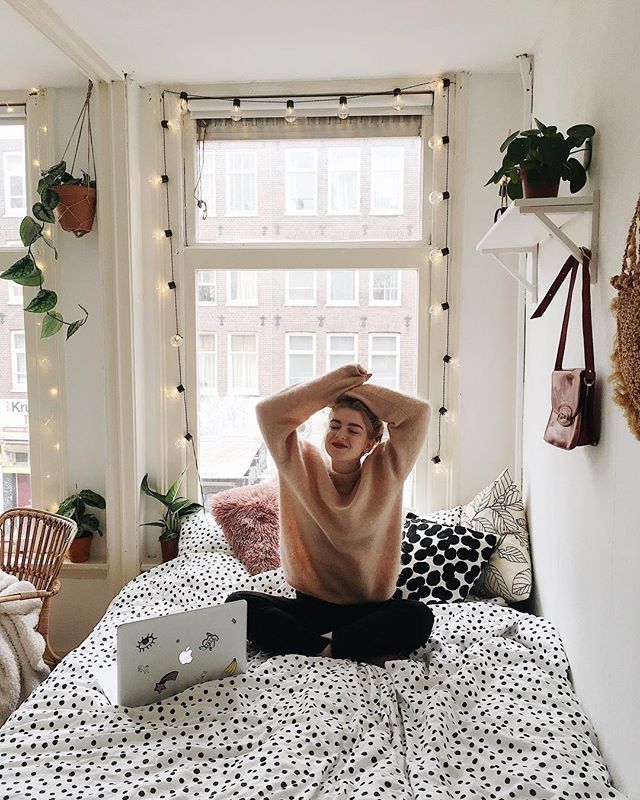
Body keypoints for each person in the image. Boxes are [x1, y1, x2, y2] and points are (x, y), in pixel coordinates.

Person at [225, 363, 433, 665]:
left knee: (419, 617)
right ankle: (333, 648)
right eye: (335, 425)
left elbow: (418, 413)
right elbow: (269, 412)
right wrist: (334, 384)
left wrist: (352, 389)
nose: (341, 434)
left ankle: (318, 647)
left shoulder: (387, 469)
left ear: (371, 443)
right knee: (238, 604)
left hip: (369, 611)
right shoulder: (301, 464)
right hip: (311, 610)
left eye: (353, 429)